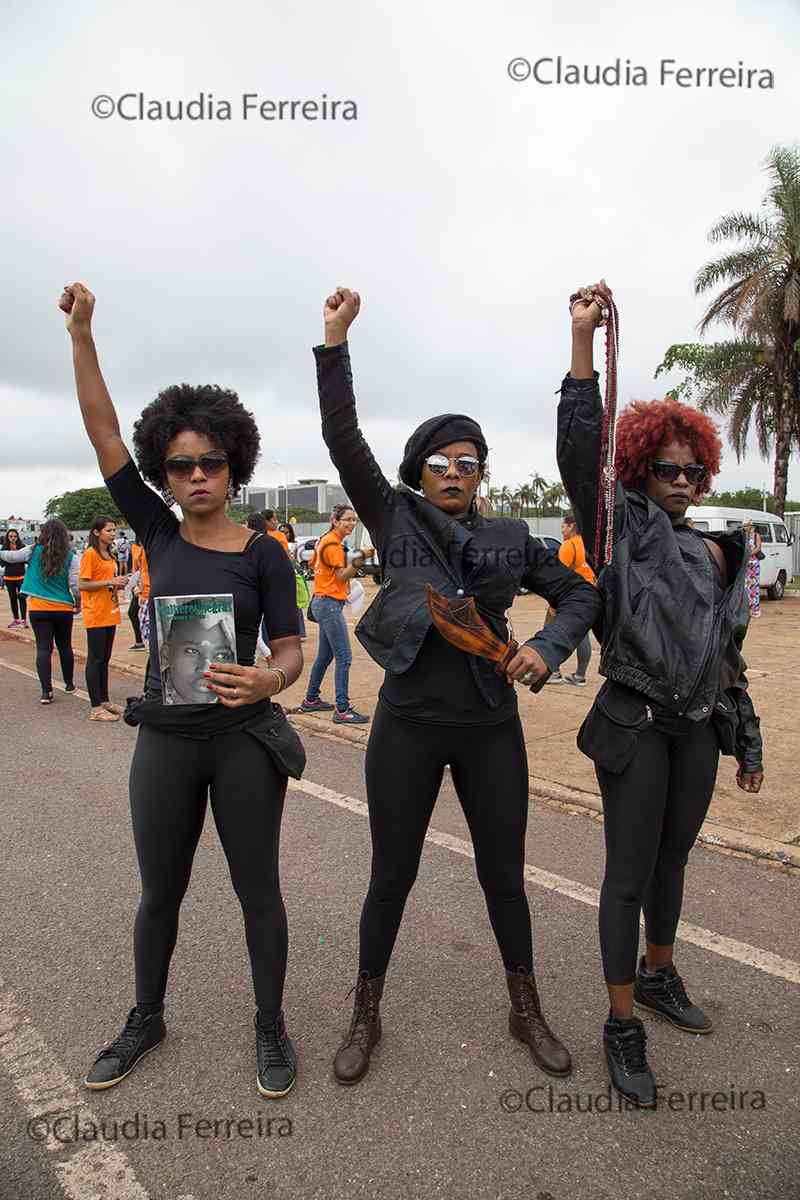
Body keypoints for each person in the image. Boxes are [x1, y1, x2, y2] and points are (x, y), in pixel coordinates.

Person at [313, 287, 600, 1086]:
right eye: (439, 464)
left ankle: (526, 1008)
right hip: (406, 723)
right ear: (419, 473)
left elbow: (581, 594)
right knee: (391, 876)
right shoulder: (392, 519)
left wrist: (546, 646)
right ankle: (365, 1011)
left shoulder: (513, 539)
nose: (452, 474)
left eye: (467, 464)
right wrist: (334, 343)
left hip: (488, 727)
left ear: (481, 474)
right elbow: (343, 438)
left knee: (503, 875)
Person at [60, 281, 304, 1100]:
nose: (197, 474)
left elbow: (294, 648)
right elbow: (101, 432)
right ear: (165, 471)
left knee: (256, 890)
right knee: (158, 891)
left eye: (211, 462)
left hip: (242, 740)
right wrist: (83, 336)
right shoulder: (156, 530)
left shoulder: (266, 552)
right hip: (166, 739)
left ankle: (269, 1023)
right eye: (181, 464)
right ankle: (146, 1017)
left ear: (235, 466)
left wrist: (272, 675)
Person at [557, 280, 764, 1108]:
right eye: (665, 468)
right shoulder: (622, 530)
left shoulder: (718, 554)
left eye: (693, 469)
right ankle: (619, 1025)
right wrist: (581, 344)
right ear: (643, 468)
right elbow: (582, 448)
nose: (681, 479)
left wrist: (744, 738)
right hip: (635, 723)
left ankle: (658, 975)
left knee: (675, 860)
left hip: (696, 729)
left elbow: (728, 657)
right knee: (627, 873)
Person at [299, 504, 371, 723]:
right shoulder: (333, 544)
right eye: (347, 519)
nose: (351, 523)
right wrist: (361, 558)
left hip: (323, 601)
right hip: (329, 604)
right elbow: (341, 577)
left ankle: (311, 699)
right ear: (335, 521)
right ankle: (342, 709)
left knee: (325, 656)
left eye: (353, 520)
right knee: (344, 657)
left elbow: (314, 564)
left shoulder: (325, 540)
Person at [0, 518, 79, 702]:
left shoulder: (32, 551)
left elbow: (10, 557)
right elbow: (75, 585)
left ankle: (46, 692)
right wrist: (78, 603)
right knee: (65, 646)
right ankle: (69, 684)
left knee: (43, 648)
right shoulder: (71, 556)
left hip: (38, 608)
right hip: (63, 608)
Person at [79, 515, 129, 720]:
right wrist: (111, 581)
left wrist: (119, 583)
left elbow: (109, 581)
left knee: (105, 659)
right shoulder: (90, 554)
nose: (113, 534)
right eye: (109, 530)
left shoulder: (110, 554)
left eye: (114, 530)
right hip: (95, 612)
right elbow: (82, 584)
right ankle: (95, 708)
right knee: (95, 658)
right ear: (96, 532)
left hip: (110, 611)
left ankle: (105, 700)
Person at [545, 511, 596, 686]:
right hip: (590, 594)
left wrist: (553, 604)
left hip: (569, 597)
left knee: (551, 631)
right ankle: (580, 675)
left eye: (563, 526)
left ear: (571, 526)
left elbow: (559, 576)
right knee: (582, 635)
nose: (562, 530)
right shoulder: (589, 545)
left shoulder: (568, 546)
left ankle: (554, 671)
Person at [2, 529, 29, 628]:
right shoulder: (4, 549)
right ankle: (16, 620)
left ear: (17, 537)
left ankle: (24, 620)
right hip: (9, 577)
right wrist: (12, 556)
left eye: (15, 536)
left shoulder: (22, 547)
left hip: (21, 576)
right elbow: (2, 564)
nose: (13, 538)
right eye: (11, 536)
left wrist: (17, 555)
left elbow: (26, 560)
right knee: (12, 599)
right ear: (7, 538)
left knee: (22, 598)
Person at [741, 520, 763, 618]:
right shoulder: (743, 535)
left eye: (746, 526)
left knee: (754, 586)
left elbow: (758, 547)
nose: (745, 528)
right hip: (745, 563)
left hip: (753, 563)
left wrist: (749, 554)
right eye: (744, 526)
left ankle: (755, 610)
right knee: (745, 586)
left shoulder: (755, 536)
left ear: (751, 526)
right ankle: (746, 609)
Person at [128, 537, 147, 649]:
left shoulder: (149, 547)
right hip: (139, 586)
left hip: (146, 589)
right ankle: (139, 641)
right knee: (132, 612)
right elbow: (137, 570)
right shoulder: (136, 548)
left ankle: (142, 642)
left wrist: (142, 590)